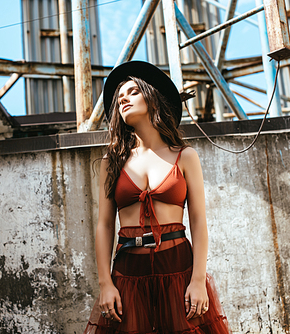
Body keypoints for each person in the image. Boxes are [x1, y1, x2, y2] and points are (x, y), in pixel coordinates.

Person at [84, 61, 230, 334]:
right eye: (119, 98)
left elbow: (198, 221)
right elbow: (104, 224)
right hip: (128, 271)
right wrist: (105, 283)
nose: (123, 99)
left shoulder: (185, 156)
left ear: (152, 98)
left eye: (133, 92)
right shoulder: (112, 162)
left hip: (178, 265)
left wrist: (198, 279)